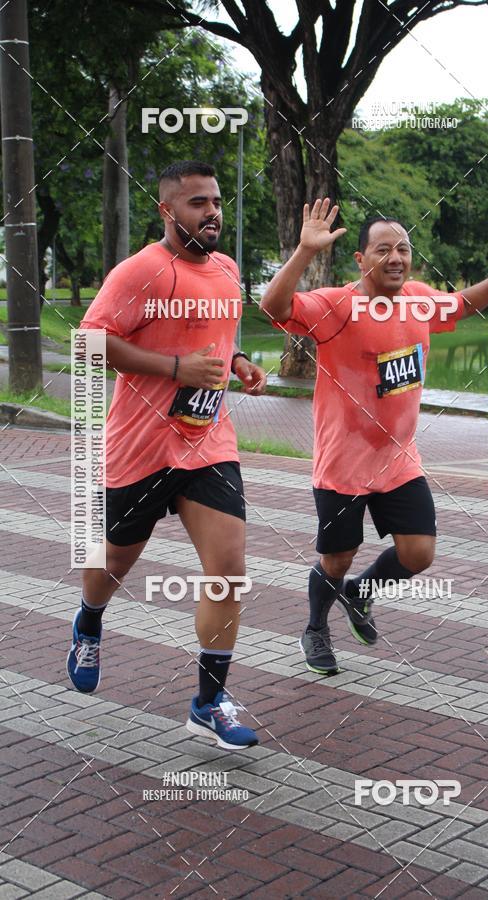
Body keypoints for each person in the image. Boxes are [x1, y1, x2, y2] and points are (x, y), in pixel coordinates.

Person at [261, 199, 488, 674]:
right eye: (383, 249)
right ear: (361, 259)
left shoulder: (418, 298)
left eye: (404, 249)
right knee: (336, 559)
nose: (395, 258)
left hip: (397, 460)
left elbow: (466, 303)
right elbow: (273, 307)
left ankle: (360, 594)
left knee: (419, 553)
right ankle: (315, 627)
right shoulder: (337, 305)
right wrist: (305, 251)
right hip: (342, 465)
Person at [67, 160, 267, 749]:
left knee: (229, 570)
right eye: (197, 203)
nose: (212, 213)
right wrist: (176, 368)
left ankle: (208, 701)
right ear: (167, 211)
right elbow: (89, 341)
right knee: (115, 565)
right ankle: (89, 621)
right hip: (141, 447)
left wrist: (237, 364)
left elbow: (217, 339)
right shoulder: (141, 272)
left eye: (215, 202)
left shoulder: (227, 270)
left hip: (207, 442)